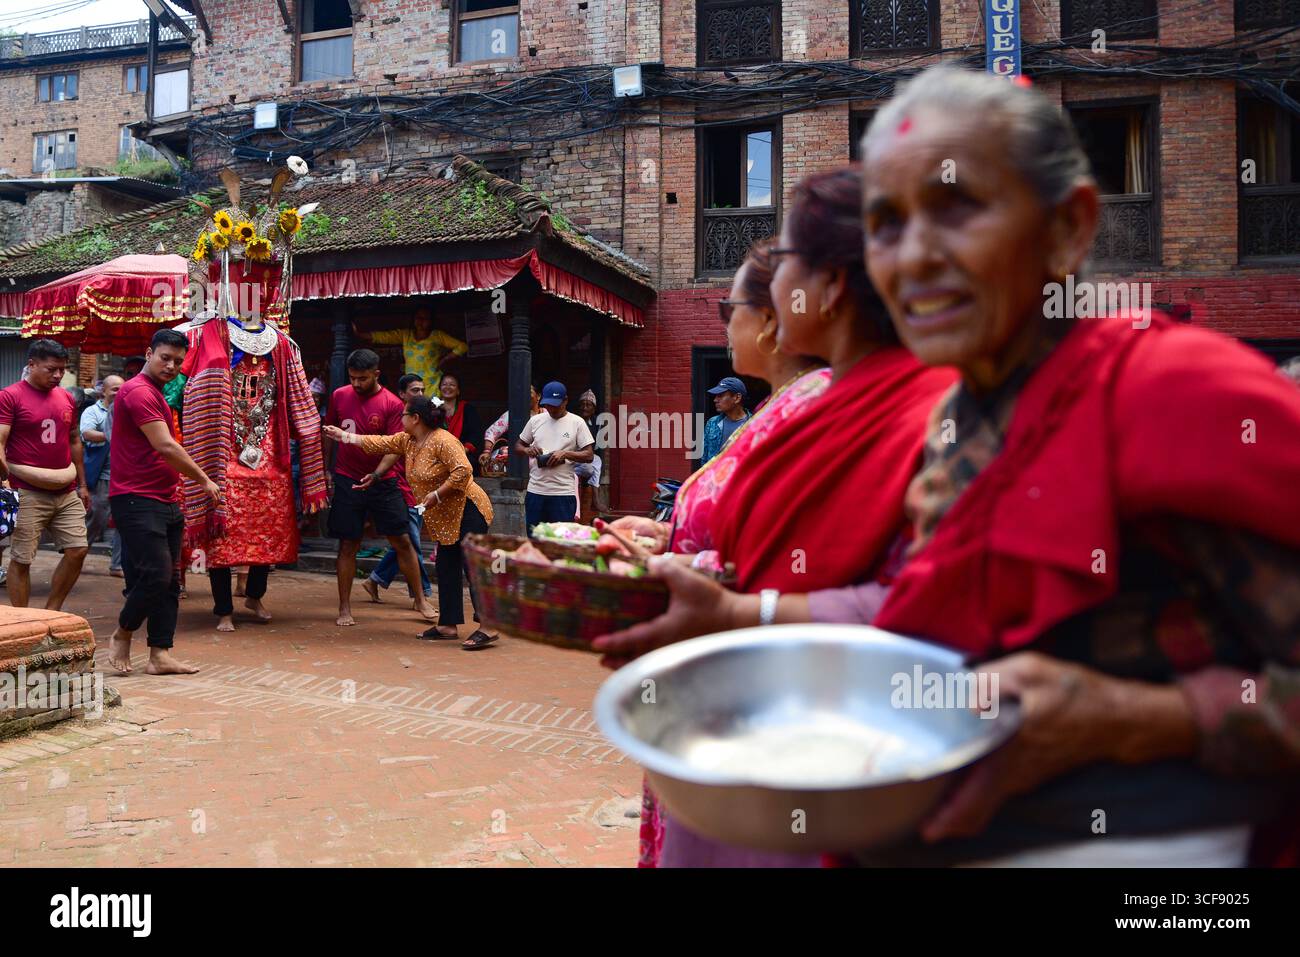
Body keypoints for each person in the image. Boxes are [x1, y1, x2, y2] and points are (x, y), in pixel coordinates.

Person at [593, 165, 957, 867]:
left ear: (830, 287)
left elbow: (928, 611)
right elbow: (757, 557)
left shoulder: (920, 415)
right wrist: (685, 568)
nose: (770, 275)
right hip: (753, 727)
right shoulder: (836, 405)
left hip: (821, 744)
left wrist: (735, 614)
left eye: (786, 257)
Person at [603, 238, 835, 867]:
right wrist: (665, 533)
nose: (724, 319)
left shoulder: (817, 412)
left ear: (771, 320)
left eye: (730, 307)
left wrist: (682, 566)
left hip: (759, 690)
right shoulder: (774, 412)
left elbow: (804, 558)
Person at [179, 298, 328, 634]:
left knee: (271, 530)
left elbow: (301, 402)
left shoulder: (282, 345)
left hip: (268, 453)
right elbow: (184, 385)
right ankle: (223, 609)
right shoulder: (208, 335)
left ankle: (255, 596)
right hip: (223, 454)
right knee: (222, 533)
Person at [326, 396, 499, 650]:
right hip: (445, 514)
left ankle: (489, 626)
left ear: (416, 418)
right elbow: (379, 442)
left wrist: (437, 494)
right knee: (446, 563)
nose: (401, 418)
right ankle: (448, 625)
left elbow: (463, 471)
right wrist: (344, 436)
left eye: (404, 415)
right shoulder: (408, 440)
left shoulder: (443, 440)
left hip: (468, 508)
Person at [106, 329, 220, 676]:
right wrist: (203, 479)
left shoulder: (157, 392)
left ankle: (160, 654)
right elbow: (165, 446)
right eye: (164, 358)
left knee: (170, 580)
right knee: (155, 575)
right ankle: (123, 632)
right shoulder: (138, 391)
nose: (170, 366)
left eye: (177, 360)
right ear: (148, 353)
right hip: (136, 499)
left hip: (165, 499)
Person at [324, 349, 434, 627]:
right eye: (352, 378)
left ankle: (420, 599)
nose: (357, 384)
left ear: (376, 374)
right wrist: (326, 469)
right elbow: (329, 433)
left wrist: (376, 473)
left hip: (383, 482)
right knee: (348, 543)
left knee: (402, 541)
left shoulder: (394, 404)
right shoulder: (339, 395)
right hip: (347, 478)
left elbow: (397, 446)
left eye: (362, 378)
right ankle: (344, 606)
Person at [0, 338, 91, 611]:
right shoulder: (10, 396)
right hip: (25, 490)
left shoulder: (65, 397)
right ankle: (23, 619)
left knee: (78, 550)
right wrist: (5, 482)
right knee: (22, 559)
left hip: (65, 490)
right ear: (31, 365)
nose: (58, 375)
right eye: (52, 369)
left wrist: (83, 485)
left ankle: (51, 613)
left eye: (62, 370)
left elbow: (75, 440)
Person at [361, 373, 434, 606]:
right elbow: (391, 450)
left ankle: (376, 579)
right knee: (411, 543)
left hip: (419, 490)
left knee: (405, 542)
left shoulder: (421, 420)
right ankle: (421, 595)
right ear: (402, 394)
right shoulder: (399, 420)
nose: (419, 394)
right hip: (401, 488)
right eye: (414, 390)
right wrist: (378, 474)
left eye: (422, 390)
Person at [515, 382, 595, 534]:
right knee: (535, 540)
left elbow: (589, 455)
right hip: (536, 492)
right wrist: (528, 449)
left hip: (563, 494)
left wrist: (565, 454)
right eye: (548, 405)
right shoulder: (536, 421)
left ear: (565, 401)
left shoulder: (577, 422)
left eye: (556, 405)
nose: (551, 409)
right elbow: (518, 446)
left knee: (560, 542)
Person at [352, 307, 467, 394]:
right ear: (413, 319)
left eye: (425, 319)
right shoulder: (406, 335)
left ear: (431, 321)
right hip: (411, 384)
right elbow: (385, 336)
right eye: (418, 318)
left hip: (432, 384)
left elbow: (462, 346)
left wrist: (444, 359)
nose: (421, 321)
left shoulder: (437, 336)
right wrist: (360, 335)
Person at [80, 374, 124, 578]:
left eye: (121, 389)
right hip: (102, 476)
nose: (118, 392)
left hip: (123, 474)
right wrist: (112, 434)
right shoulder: (93, 411)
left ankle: (116, 565)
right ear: (104, 391)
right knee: (97, 518)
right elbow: (86, 433)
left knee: (123, 522)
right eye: (114, 389)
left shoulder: (126, 409)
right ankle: (76, 556)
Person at [480, 384, 540, 474]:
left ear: (538, 396)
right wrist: (487, 451)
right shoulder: (513, 414)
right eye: (522, 393)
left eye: (529, 392)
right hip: (520, 458)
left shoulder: (547, 414)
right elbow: (492, 432)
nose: (525, 395)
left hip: (541, 456)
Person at [698, 377, 749, 466]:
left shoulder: (753, 424)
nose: (715, 400)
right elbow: (704, 459)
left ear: (737, 398)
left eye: (720, 395)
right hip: (716, 477)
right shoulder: (712, 423)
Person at [438, 373, 483, 469]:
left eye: (452, 385)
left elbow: (475, 435)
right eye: (444, 384)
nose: (448, 387)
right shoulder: (433, 410)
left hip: (462, 454)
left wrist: (462, 450)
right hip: (437, 454)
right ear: (440, 388)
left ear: (458, 390)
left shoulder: (468, 409)